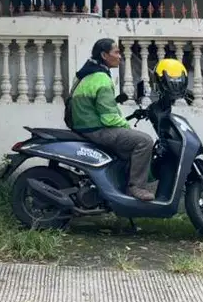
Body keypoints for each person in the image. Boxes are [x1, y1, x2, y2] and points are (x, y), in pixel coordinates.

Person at [66, 38, 156, 201]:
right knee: (144, 141)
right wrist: (126, 126)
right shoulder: (102, 78)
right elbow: (109, 117)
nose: (120, 56)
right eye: (116, 52)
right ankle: (136, 187)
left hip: (84, 127)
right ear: (104, 55)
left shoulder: (84, 75)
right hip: (96, 129)